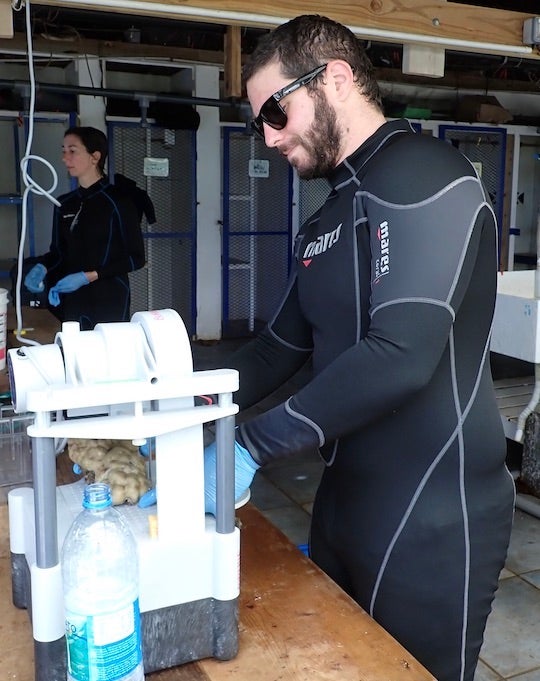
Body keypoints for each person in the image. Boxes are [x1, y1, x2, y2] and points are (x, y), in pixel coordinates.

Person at [203, 14, 515, 681]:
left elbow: (401, 354)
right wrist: (163, 398)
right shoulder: (329, 217)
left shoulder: (428, 179)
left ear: (336, 79)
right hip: (346, 501)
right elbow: (271, 353)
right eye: (259, 122)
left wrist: (252, 444)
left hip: (434, 517)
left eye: (275, 112)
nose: (267, 138)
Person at [23, 126, 145, 330]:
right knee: (76, 356)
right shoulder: (64, 203)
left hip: (110, 298)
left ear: (94, 157)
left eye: (72, 151)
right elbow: (59, 254)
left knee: (108, 358)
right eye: (63, 150)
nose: (64, 158)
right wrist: (42, 267)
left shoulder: (119, 201)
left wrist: (89, 276)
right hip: (72, 298)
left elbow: (136, 258)